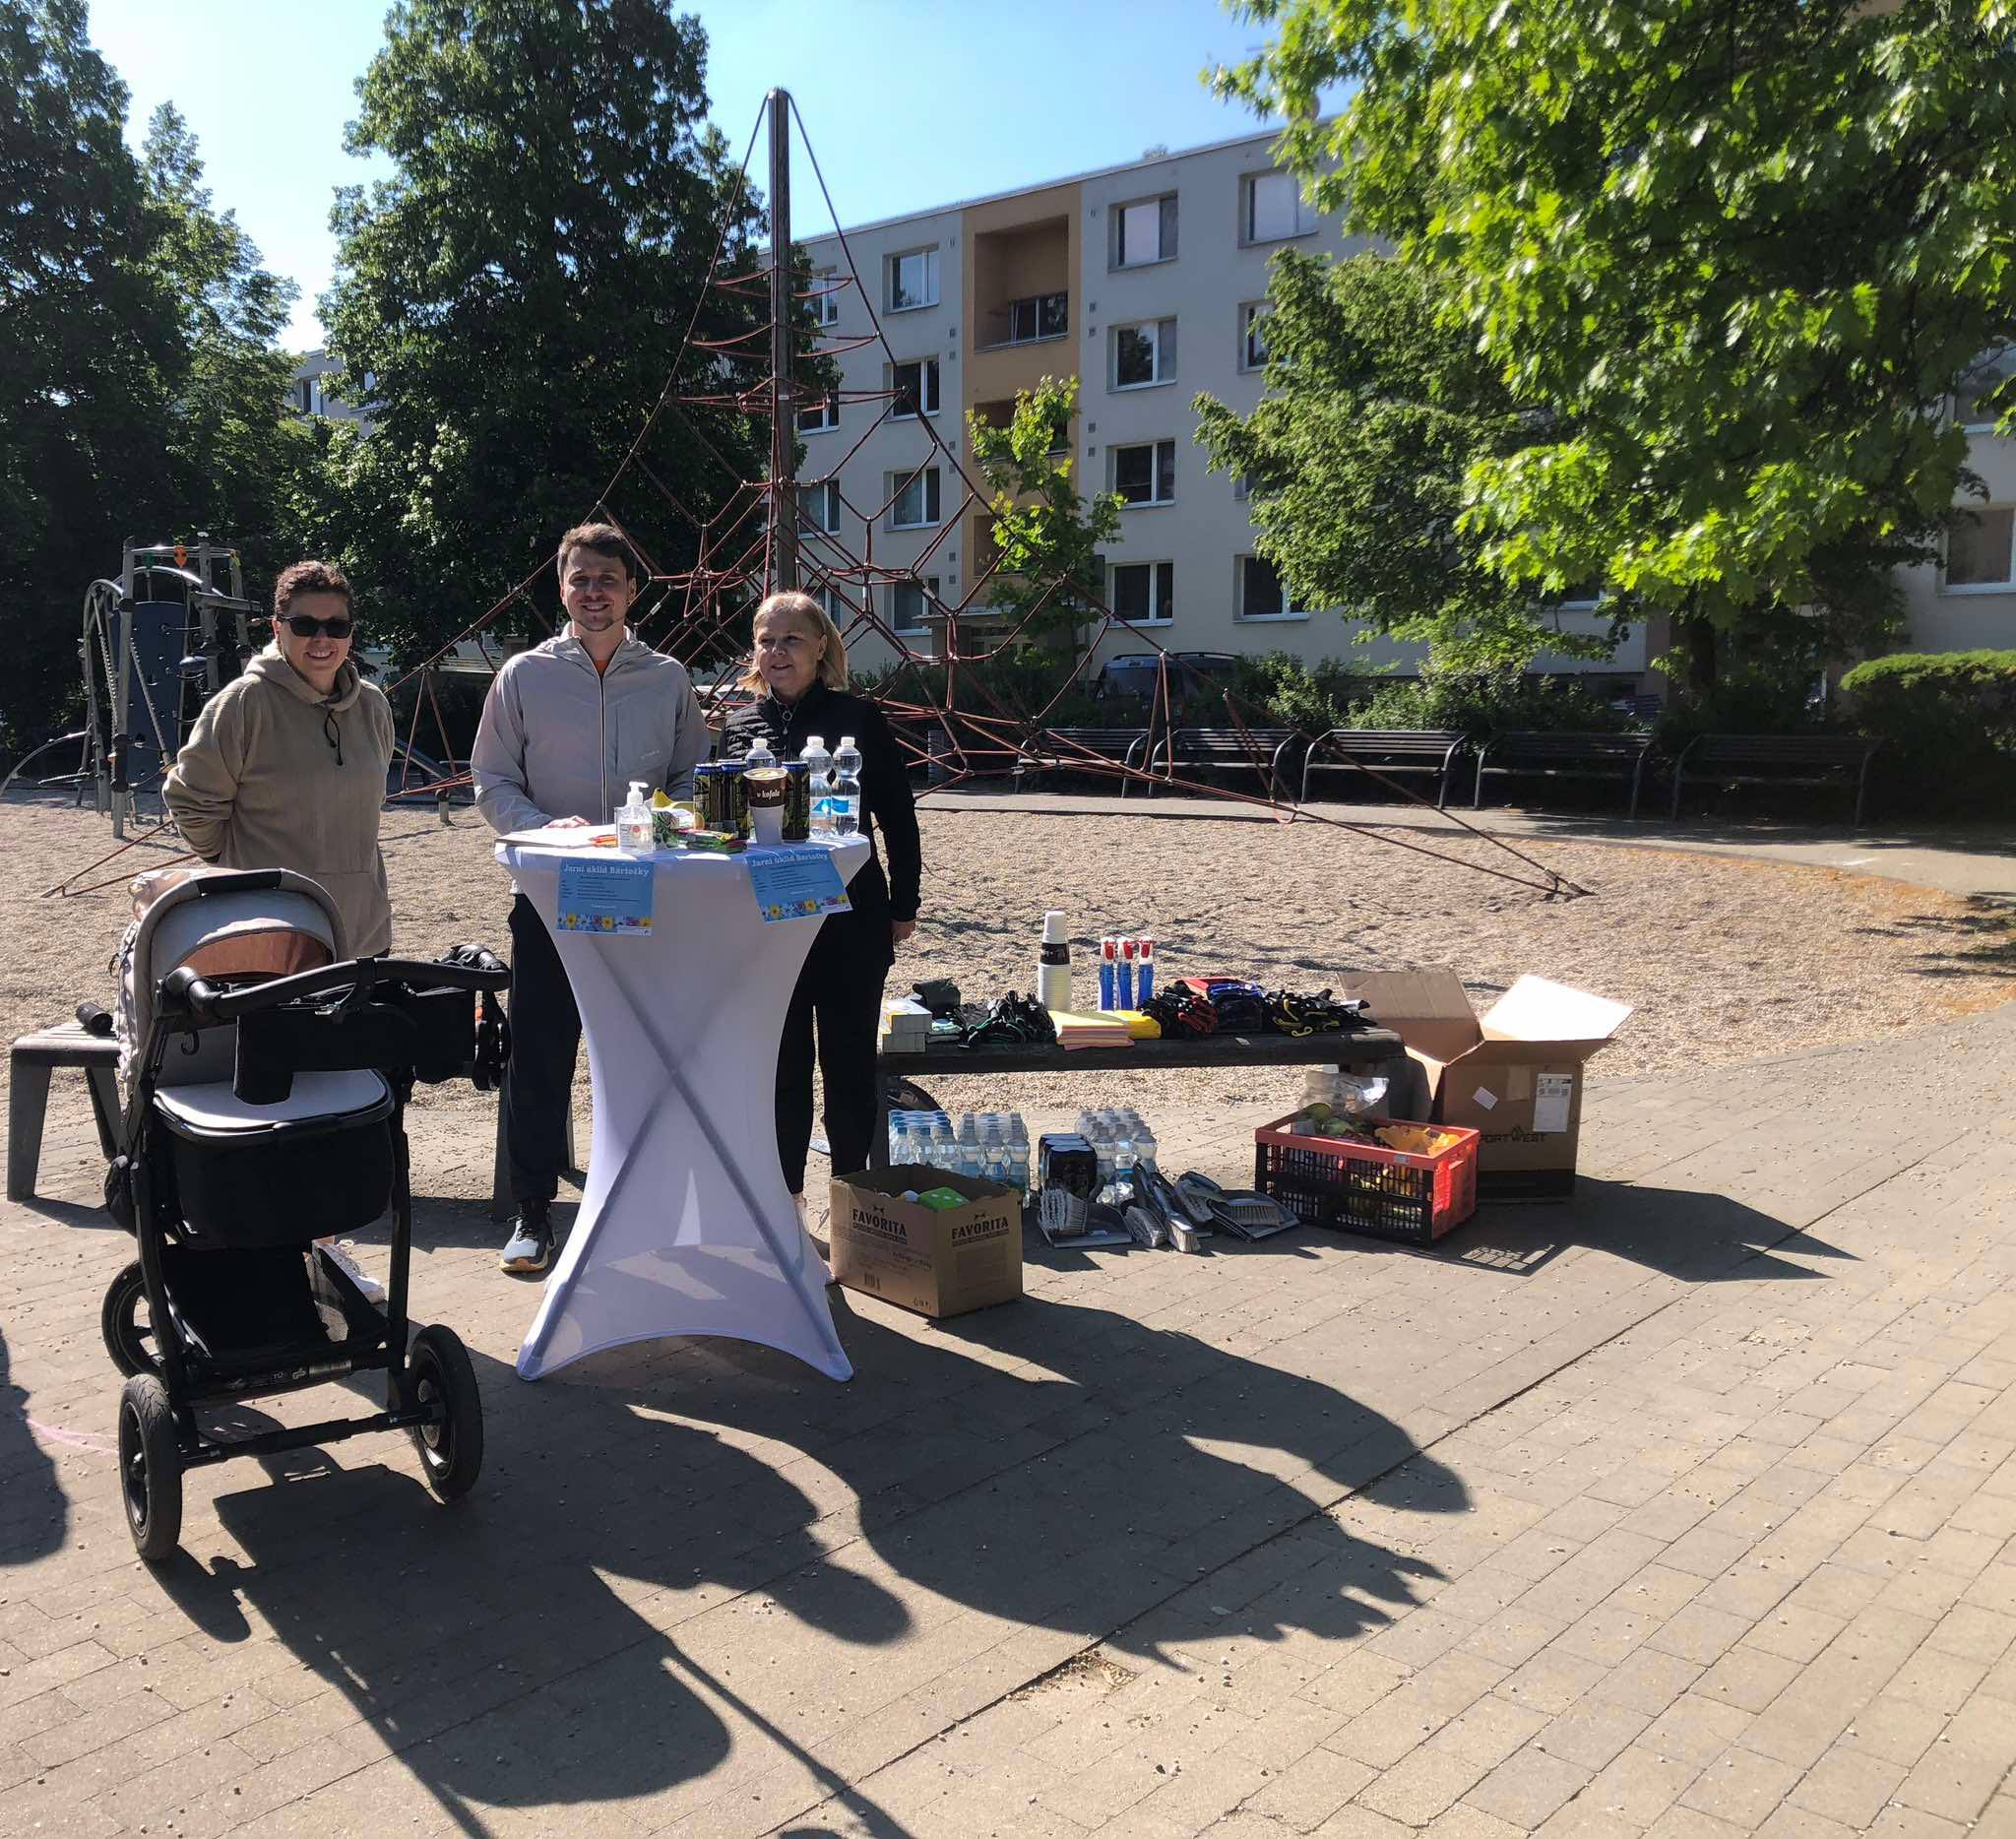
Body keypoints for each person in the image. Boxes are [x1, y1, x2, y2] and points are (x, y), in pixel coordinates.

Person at [472, 523, 709, 1275]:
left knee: (642, 1054)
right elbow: (492, 781)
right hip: (550, 894)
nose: (594, 592)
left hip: (643, 895)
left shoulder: (667, 678)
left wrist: (663, 823)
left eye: (608, 579)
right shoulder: (524, 676)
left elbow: (693, 776)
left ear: (632, 590)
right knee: (541, 1053)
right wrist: (547, 830)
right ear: (561, 587)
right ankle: (533, 1212)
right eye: (580, 579)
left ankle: (643, 1206)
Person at [162, 558, 395, 1300]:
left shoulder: (373, 707)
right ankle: (269, 1260)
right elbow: (190, 798)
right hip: (271, 941)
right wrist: (243, 874)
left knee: (341, 1098)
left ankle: (326, 1250)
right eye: (305, 624)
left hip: (359, 932)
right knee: (274, 1101)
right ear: (278, 627)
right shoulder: (243, 704)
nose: (322, 639)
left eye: (337, 625)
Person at [722, 591, 921, 1216]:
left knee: (848, 1062)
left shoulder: (859, 718)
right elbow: (722, 830)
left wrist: (903, 904)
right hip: (768, 924)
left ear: (821, 649)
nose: (777, 653)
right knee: (781, 1066)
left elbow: (898, 818)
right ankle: (786, 1202)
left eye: (792, 640)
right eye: (766, 641)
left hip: (850, 919)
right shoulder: (739, 727)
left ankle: (852, 1199)